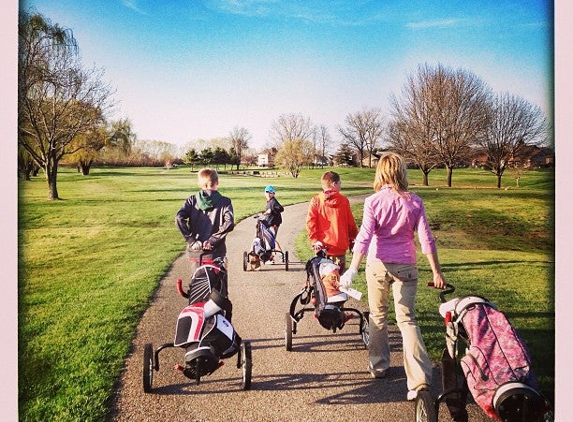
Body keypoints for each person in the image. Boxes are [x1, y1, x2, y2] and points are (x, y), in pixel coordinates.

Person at [339, 152, 446, 402]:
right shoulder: (415, 202)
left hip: (378, 264)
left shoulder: (373, 201)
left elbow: (365, 236)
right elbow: (426, 239)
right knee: (407, 319)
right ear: (401, 172)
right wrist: (436, 271)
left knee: (378, 315)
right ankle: (420, 380)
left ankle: (379, 366)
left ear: (381, 173)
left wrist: (353, 268)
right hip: (406, 265)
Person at [175, 168, 235, 273]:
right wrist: (212, 240)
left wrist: (191, 241)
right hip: (216, 253)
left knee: (197, 284)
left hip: (196, 252)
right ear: (217, 182)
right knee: (219, 283)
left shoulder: (192, 200)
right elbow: (229, 223)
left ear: (199, 184)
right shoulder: (225, 202)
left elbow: (179, 218)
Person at [306, 171, 358, 273]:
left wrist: (315, 240)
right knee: (338, 281)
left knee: (323, 281)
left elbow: (310, 223)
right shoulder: (343, 201)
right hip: (339, 246)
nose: (340, 186)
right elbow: (350, 224)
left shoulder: (316, 200)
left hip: (322, 247)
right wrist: (352, 241)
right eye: (339, 183)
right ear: (334, 184)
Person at [261, 185, 284, 258]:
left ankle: (274, 256)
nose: (268, 194)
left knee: (271, 240)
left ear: (273, 194)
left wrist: (272, 210)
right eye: (267, 192)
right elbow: (269, 212)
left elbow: (281, 208)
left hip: (274, 223)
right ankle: (279, 255)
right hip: (269, 223)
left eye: (270, 192)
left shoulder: (273, 201)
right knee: (270, 239)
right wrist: (266, 213)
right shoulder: (269, 201)